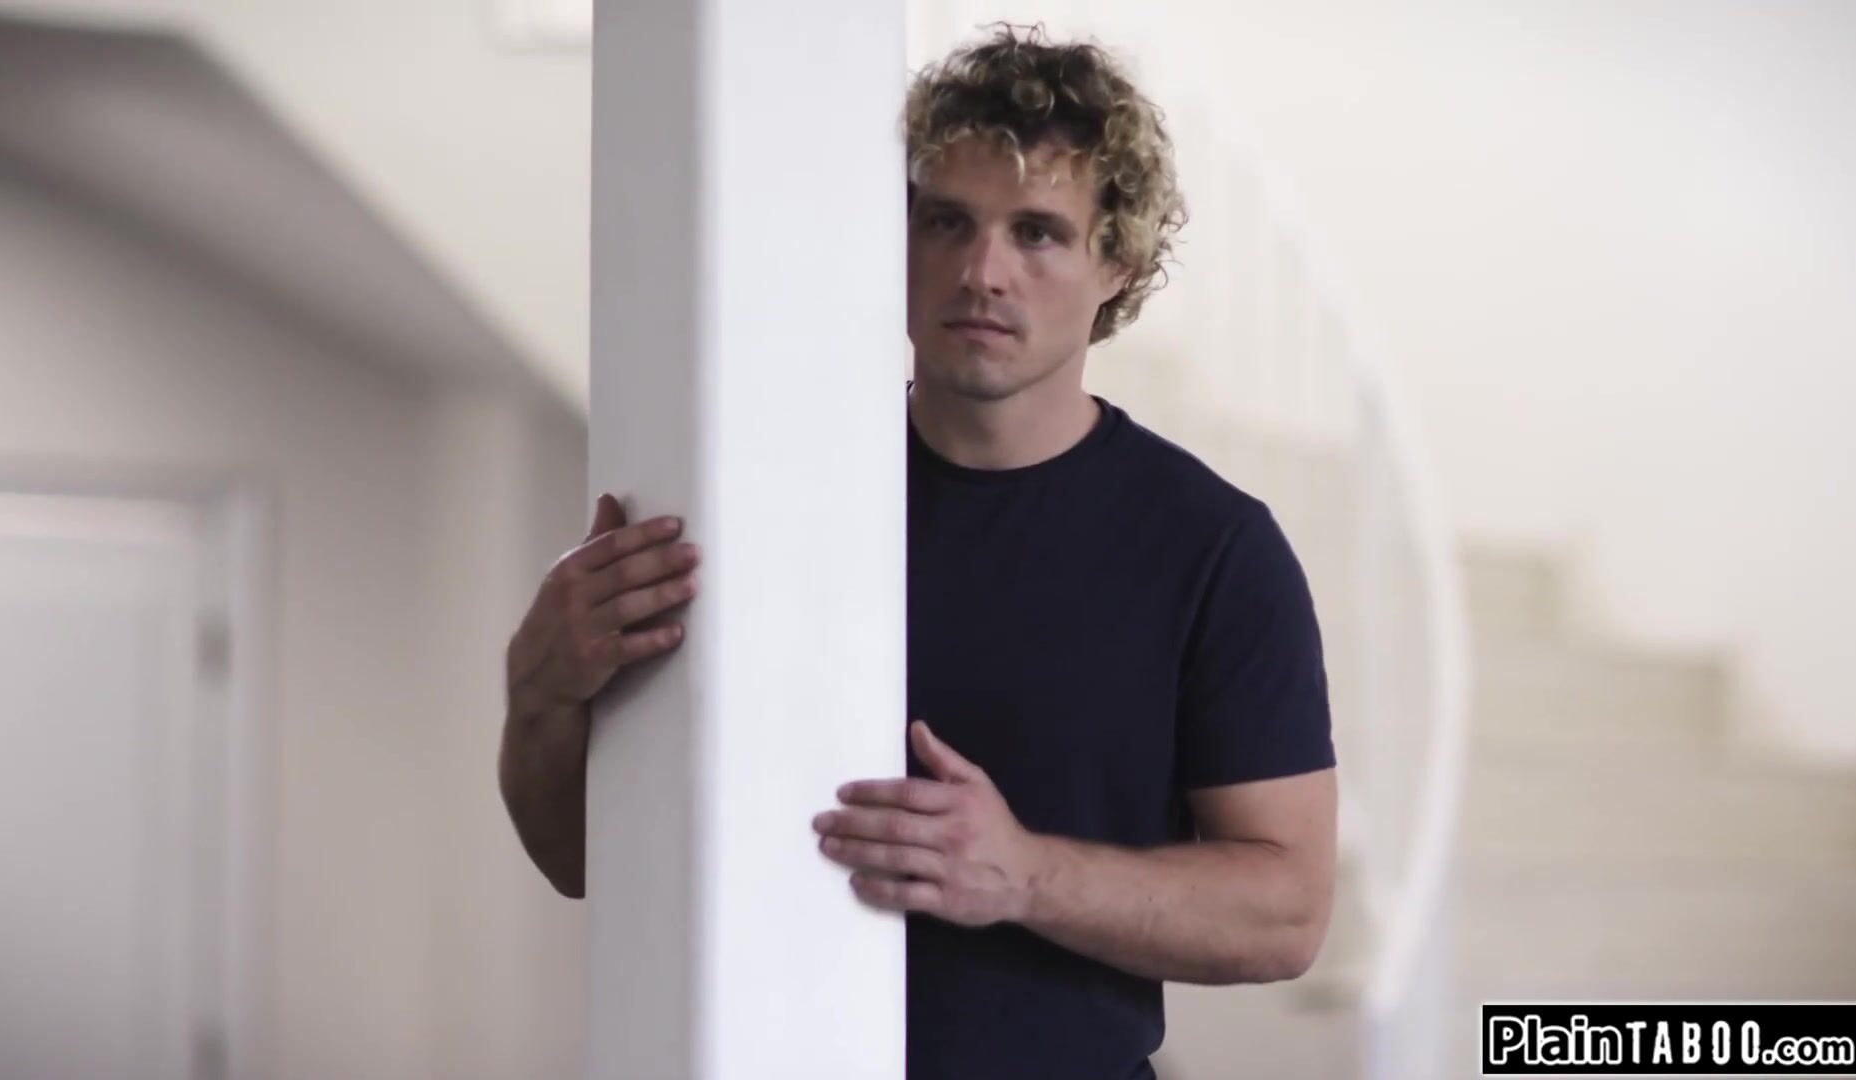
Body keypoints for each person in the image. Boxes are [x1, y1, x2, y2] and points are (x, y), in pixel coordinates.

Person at [499, 22, 1338, 1080]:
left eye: (1038, 233)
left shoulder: (1213, 548)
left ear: (1116, 264)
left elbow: (1287, 914)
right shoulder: (763, 503)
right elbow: (589, 860)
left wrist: (1024, 875)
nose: (982, 271)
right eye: (946, 221)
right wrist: (539, 698)